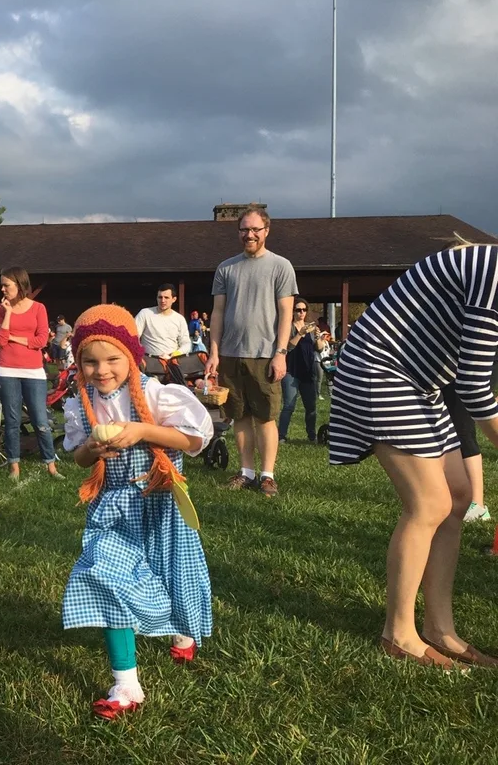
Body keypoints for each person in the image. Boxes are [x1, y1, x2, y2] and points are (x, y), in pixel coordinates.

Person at [329, 241, 498, 670]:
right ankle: (398, 634)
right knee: (429, 504)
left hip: (420, 381)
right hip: (379, 367)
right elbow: (476, 385)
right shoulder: (494, 272)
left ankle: (440, 628)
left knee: (459, 496)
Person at [62, 305, 213, 720]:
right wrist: (91, 449)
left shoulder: (156, 393)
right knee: (105, 576)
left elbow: (193, 439)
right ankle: (126, 683)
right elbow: (76, 458)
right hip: (113, 508)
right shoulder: (82, 403)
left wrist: (144, 431)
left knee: (170, 573)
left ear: (132, 355)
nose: (102, 370)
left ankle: (183, 631)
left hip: (160, 501)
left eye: (112, 359)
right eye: (90, 361)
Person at [204, 206, 297, 497]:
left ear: (266, 231)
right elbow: (217, 312)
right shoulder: (226, 268)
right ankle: (246, 472)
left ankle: (267, 475)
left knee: (265, 417)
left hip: (265, 355)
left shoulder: (281, 266)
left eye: (255, 229)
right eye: (244, 229)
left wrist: (280, 352)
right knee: (240, 415)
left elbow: (286, 313)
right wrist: (214, 352)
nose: (250, 234)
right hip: (230, 353)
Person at [0, 266, 62, 482]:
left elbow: (41, 341)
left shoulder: (38, 308)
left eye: (7, 285)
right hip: (6, 370)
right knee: (12, 421)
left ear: (20, 285)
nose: (3, 289)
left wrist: (16, 338)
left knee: (40, 420)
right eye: (2, 285)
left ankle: (51, 465)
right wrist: (8, 314)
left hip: (33, 371)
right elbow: (0, 341)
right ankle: (14, 466)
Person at [277, 298, 327, 443]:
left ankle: (312, 436)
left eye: (304, 310)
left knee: (311, 407)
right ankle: (281, 436)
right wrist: (300, 334)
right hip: (291, 371)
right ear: (293, 312)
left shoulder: (310, 328)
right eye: (298, 310)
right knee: (289, 405)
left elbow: (319, 348)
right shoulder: (289, 327)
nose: (301, 313)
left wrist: (318, 337)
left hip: (307, 371)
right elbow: (288, 347)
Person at [441, 388, 490, 523]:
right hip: (447, 373)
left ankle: (477, 505)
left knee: (462, 429)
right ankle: (453, 497)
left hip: (465, 372)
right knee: (448, 428)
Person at [135, 284, 191, 365]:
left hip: (172, 363)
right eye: (160, 297)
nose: (163, 300)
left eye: (166, 297)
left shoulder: (179, 319)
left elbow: (186, 343)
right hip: (149, 363)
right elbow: (133, 337)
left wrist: (174, 354)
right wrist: (140, 355)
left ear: (174, 299)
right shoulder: (145, 313)